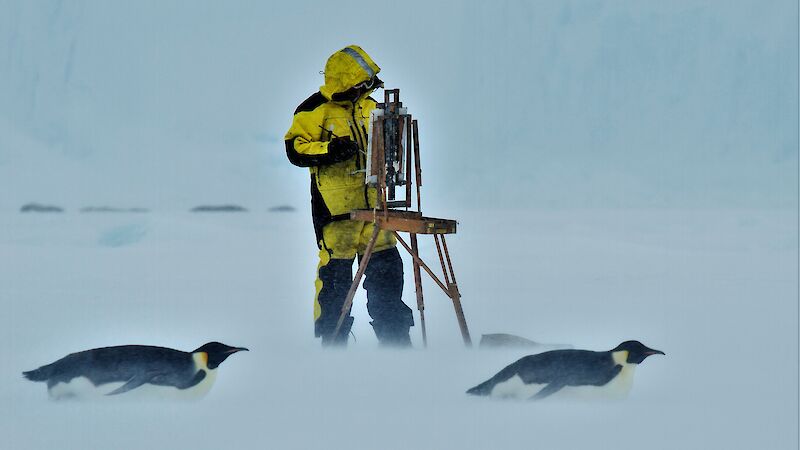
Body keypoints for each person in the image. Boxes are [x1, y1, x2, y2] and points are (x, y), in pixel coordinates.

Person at [284, 45, 414, 347]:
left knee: (387, 278)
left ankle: (397, 345)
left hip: (376, 212)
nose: (365, 88)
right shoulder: (313, 110)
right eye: (360, 82)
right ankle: (333, 345)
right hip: (337, 216)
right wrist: (330, 150)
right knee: (335, 286)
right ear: (346, 80)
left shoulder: (370, 109)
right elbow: (295, 149)